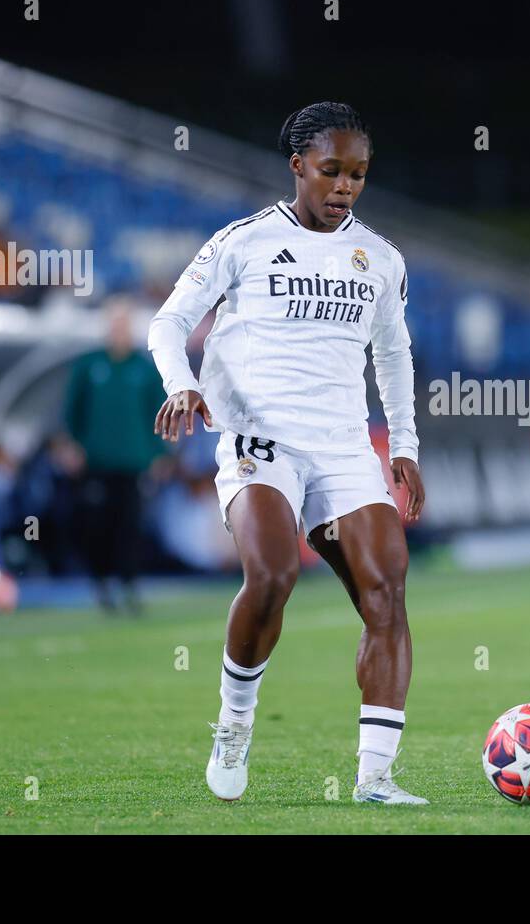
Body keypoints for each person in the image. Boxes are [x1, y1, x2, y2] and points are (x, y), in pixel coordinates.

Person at [147, 102, 427, 805]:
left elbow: (395, 356)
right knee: (272, 576)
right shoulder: (241, 243)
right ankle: (235, 725)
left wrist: (405, 445)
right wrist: (181, 384)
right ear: (298, 164)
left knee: (387, 594)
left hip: (343, 449)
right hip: (259, 439)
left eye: (358, 174)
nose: (344, 187)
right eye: (331, 170)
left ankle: (375, 778)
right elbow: (169, 321)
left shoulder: (381, 260)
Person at [63, 297, 168, 613]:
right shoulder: (89, 365)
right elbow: (72, 411)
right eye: (114, 323)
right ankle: (101, 583)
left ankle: (129, 584)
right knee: (98, 524)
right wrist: (72, 444)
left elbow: (158, 413)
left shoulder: (144, 369)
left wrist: (160, 453)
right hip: (97, 462)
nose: (119, 329)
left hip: (134, 462)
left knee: (130, 526)